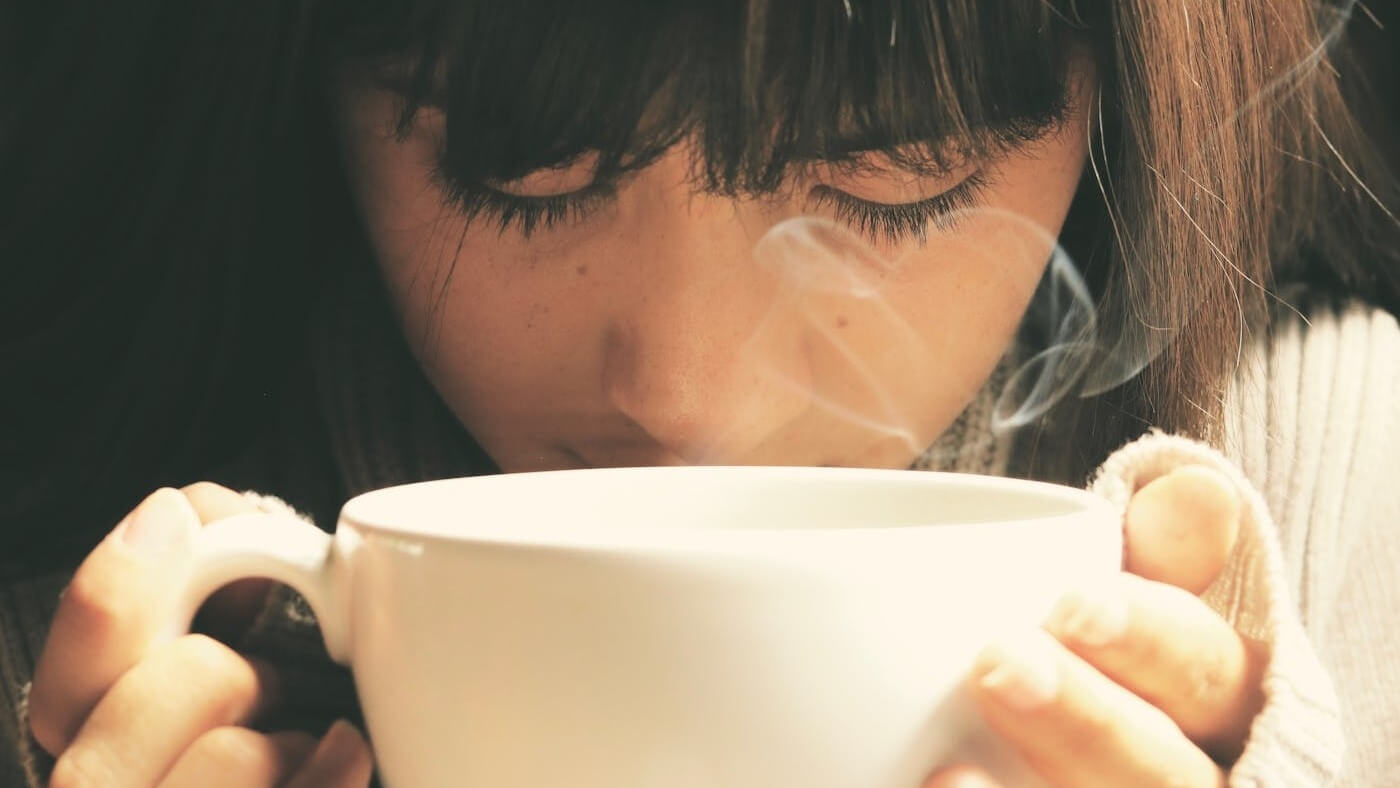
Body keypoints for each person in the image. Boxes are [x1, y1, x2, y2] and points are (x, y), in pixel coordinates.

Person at [2, 0, 1398, 785]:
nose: (680, 395)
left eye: (888, 177)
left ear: (1115, 109)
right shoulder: (107, 600)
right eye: (520, 171)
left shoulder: (1344, 489)